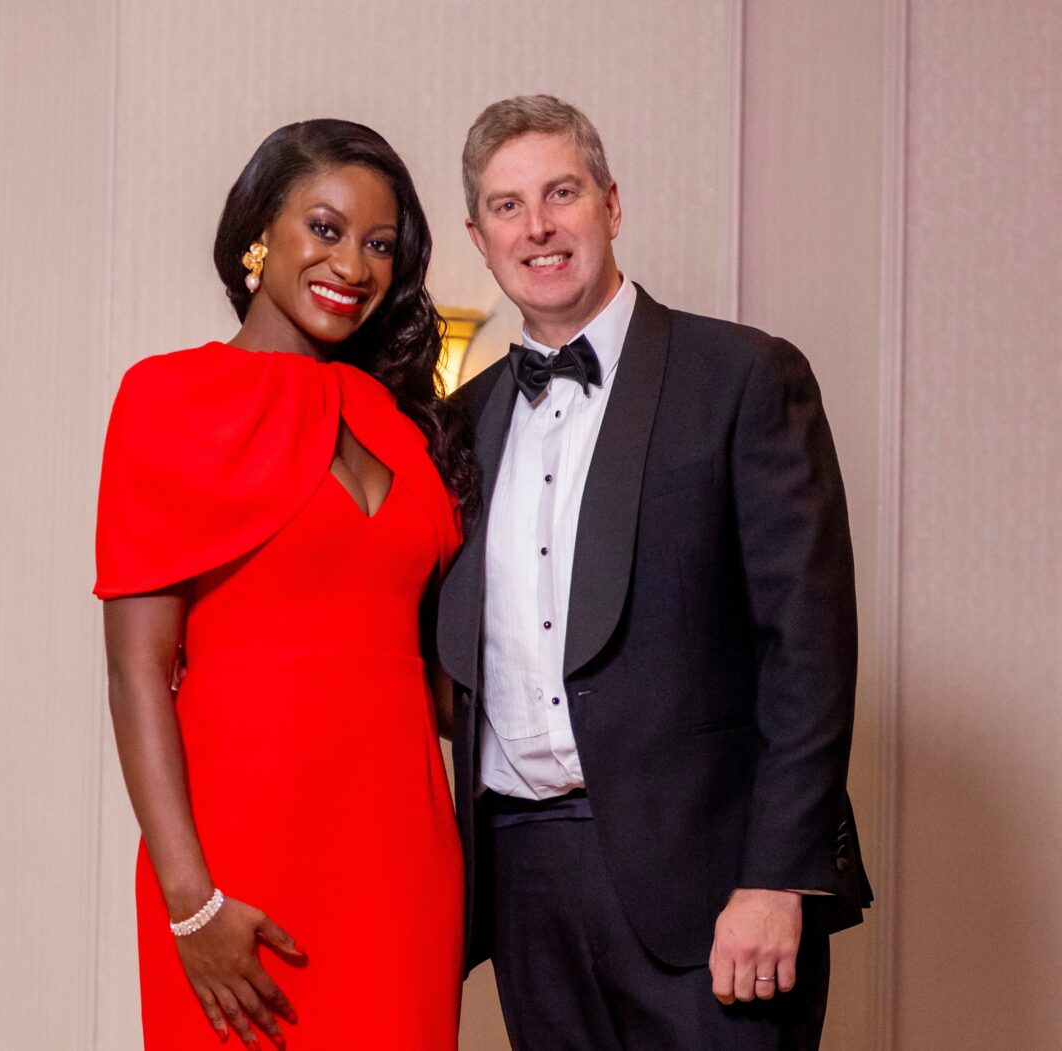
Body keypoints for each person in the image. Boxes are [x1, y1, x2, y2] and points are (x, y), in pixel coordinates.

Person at [436, 95, 872, 1049]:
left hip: (715, 883)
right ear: (478, 238)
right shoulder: (460, 425)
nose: (537, 226)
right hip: (524, 882)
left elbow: (808, 649)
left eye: (561, 193)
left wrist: (777, 877)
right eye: (507, 206)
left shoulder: (744, 377)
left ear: (611, 203)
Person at [95, 119, 475, 1050]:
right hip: (240, 861)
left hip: (403, 859)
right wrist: (192, 902)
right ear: (260, 229)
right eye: (325, 227)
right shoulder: (168, 398)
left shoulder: (404, 422)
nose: (353, 264)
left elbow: (445, 671)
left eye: (380, 244)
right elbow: (137, 670)